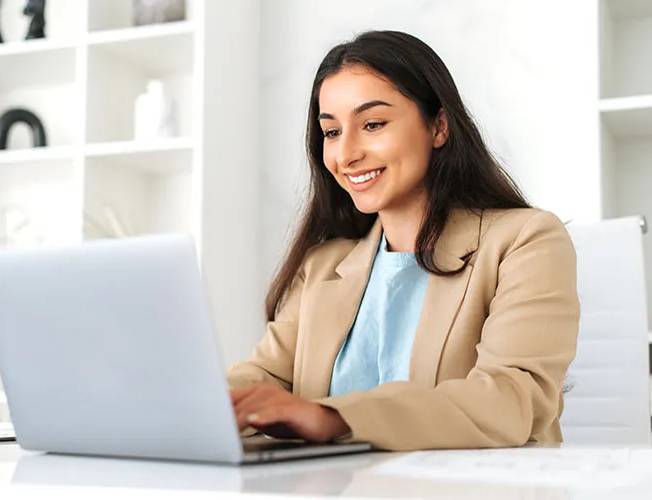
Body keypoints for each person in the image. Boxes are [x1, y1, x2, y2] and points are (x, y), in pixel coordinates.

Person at [227, 30, 580, 451]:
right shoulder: (323, 265)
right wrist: (203, 405)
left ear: (439, 127)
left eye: (372, 124)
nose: (346, 154)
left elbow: (513, 400)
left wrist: (333, 418)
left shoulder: (526, 241)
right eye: (332, 132)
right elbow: (263, 377)